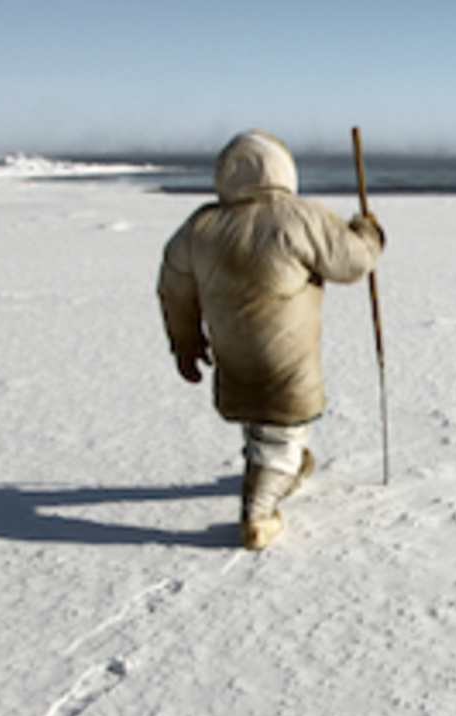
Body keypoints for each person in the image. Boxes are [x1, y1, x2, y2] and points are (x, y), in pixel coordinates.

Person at [158, 130, 386, 550]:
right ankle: (258, 513)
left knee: (258, 413)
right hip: (286, 354)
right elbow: (352, 262)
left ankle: (287, 469)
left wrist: (185, 341)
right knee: (284, 424)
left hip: (231, 348)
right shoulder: (300, 217)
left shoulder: (201, 226)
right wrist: (367, 232)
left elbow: (173, 288)